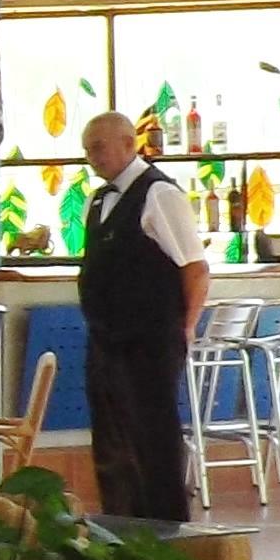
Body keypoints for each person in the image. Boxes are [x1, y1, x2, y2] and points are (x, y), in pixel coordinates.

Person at [76, 109, 210, 523]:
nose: (93, 158)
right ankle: (121, 525)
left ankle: (168, 529)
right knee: (111, 441)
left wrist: (185, 328)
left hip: (150, 340)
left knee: (153, 439)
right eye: (88, 151)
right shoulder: (97, 200)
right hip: (105, 340)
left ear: (128, 143)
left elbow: (195, 268)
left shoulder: (159, 194)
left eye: (99, 148)